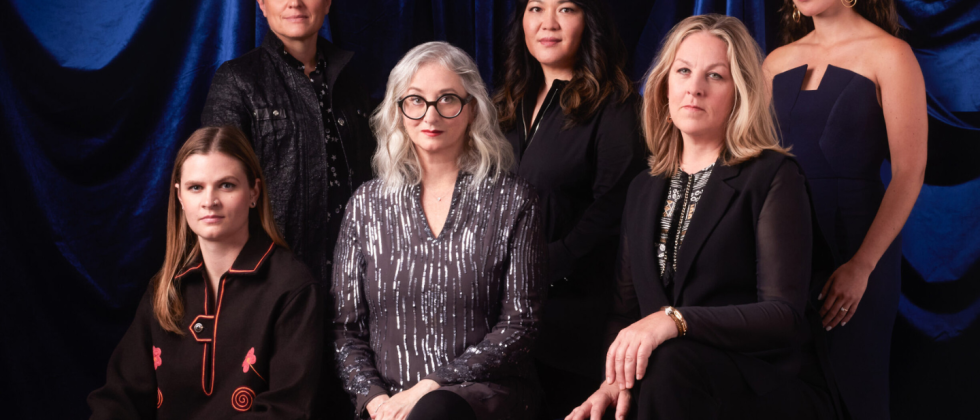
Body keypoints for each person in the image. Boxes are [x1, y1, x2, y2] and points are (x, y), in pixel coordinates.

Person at [567, 14, 836, 420]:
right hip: (669, 385)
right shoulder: (643, 187)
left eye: (715, 76)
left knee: (668, 365)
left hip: (761, 382)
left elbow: (782, 315)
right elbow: (625, 313)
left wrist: (674, 321)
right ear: (664, 86)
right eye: (684, 71)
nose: (695, 87)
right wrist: (612, 383)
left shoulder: (773, 176)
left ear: (740, 92)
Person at [331, 41, 547, 420]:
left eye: (447, 99)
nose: (430, 116)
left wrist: (431, 386)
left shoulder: (514, 201)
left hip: (480, 396)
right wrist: (377, 401)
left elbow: (521, 324)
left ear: (472, 109)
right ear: (397, 111)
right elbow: (345, 329)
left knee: (436, 411)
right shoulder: (366, 205)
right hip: (390, 404)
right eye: (415, 100)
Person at [88, 126, 323, 419]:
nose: (209, 201)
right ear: (180, 197)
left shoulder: (292, 288)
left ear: (253, 193)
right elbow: (119, 398)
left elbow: (287, 410)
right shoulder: (166, 289)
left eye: (226, 185)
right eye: (196, 187)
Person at [764, 1, 927, 418]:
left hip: (859, 245)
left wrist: (862, 266)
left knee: (855, 388)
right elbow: (756, 161)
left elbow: (909, 172)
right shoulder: (775, 61)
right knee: (781, 388)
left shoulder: (891, 54)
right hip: (782, 243)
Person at [492, 1, 646, 415]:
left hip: (575, 319)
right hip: (505, 315)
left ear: (589, 21)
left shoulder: (614, 105)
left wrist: (545, 263)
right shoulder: (507, 104)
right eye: (536, 8)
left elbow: (615, 208)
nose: (548, 23)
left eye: (566, 8)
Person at [202, 0, 375, 288]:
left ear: (328, 3)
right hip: (271, 283)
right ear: (262, 4)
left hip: (355, 279)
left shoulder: (354, 82)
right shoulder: (237, 81)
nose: (295, 2)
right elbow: (217, 189)